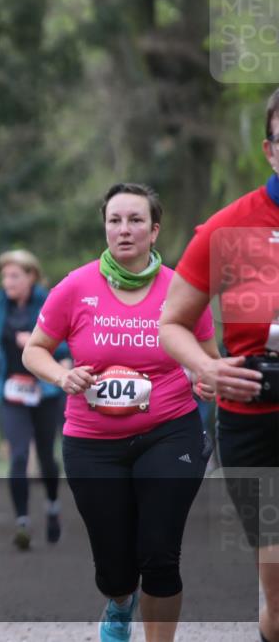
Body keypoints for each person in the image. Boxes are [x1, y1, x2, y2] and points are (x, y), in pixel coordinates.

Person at [23, 183, 216, 642]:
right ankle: (119, 600)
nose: (124, 230)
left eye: (134, 221)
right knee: (115, 566)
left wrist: (205, 377)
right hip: (92, 443)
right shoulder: (76, 286)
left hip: (170, 431)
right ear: (105, 228)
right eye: (114, 221)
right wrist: (61, 376)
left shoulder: (181, 288)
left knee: (160, 555)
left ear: (154, 231)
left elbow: (207, 355)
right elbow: (35, 351)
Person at [160, 88, 279, 642]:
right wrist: (205, 369)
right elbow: (172, 322)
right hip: (254, 421)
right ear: (270, 150)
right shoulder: (227, 228)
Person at [0, 249, 67, 549]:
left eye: (14, 275)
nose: (8, 281)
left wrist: (36, 343)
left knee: (45, 457)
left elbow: (67, 344)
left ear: (31, 276)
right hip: (11, 390)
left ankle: (53, 506)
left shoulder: (49, 302)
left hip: (44, 391)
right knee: (17, 455)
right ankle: (22, 522)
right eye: (4, 276)